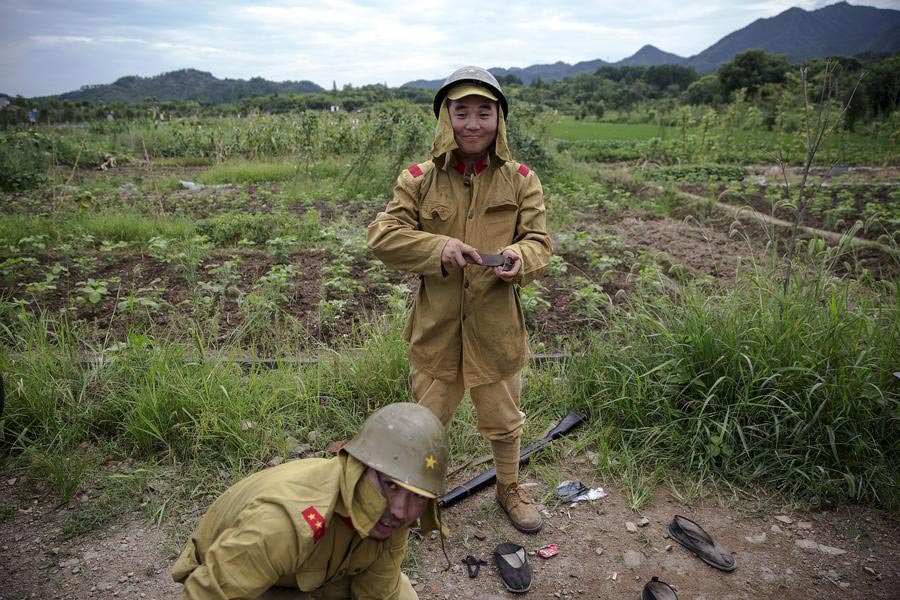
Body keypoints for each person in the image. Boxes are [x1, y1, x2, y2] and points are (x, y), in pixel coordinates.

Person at [367, 66, 552, 534]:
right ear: (445, 117)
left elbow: (539, 242)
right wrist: (439, 248)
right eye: (461, 111)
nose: (472, 123)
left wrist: (518, 257)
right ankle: (411, 498)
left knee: (505, 422)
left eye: (484, 112)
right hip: (437, 330)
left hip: (496, 331)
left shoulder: (521, 180)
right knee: (424, 427)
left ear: (499, 120)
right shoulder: (418, 179)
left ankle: (508, 487)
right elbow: (383, 237)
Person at [171, 402, 448, 599]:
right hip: (247, 581)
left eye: (417, 496)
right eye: (389, 485)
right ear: (358, 469)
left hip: (321, 576)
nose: (400, 511)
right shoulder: (283, 523)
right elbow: (207, 594)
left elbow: (378, 591)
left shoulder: (392, 517)